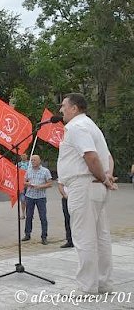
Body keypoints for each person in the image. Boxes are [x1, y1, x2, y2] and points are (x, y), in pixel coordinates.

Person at [57, 93, 117, 294]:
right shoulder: (92, 126)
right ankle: (103, 283)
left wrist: (103, 177)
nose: (60, 110)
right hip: (94, 186)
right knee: (101, 237)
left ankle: (87, 287)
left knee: (84, 238)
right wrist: (106, 176)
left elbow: (91, 157)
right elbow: (107, 157)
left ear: (74, 108)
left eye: (63, 106)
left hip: (84, 186)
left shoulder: (75, 127)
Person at [21, 155, 53, 245]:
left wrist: (40, 186)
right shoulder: (28, 170)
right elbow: (24, 182)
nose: (32, 162)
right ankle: (27, 234)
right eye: (31, 160)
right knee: (29, 216)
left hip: (41, 197)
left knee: (43, 217)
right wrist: (28, 184)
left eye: (34, 160)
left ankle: (44, 236)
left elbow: (50, 183)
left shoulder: (45, 171)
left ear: (39, 161)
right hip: (30, 196)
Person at [57, 182, 73, 248]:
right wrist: (64, 195)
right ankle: (70, 240)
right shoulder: (64, 173)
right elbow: (60, 185)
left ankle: (80, 239)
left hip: (77, 198)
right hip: (66, 198)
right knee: (67, 219)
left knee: (78, 219)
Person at [17, 153, 29, 219]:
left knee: (29, 199)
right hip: (21, 183)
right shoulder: (19, 164)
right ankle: (23, 213)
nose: (23, 157)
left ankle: (29, 213)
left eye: (25, 155)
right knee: (22, 199)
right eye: (22, 155)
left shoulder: (30, 164)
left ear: (27, 156)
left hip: (29, 183)